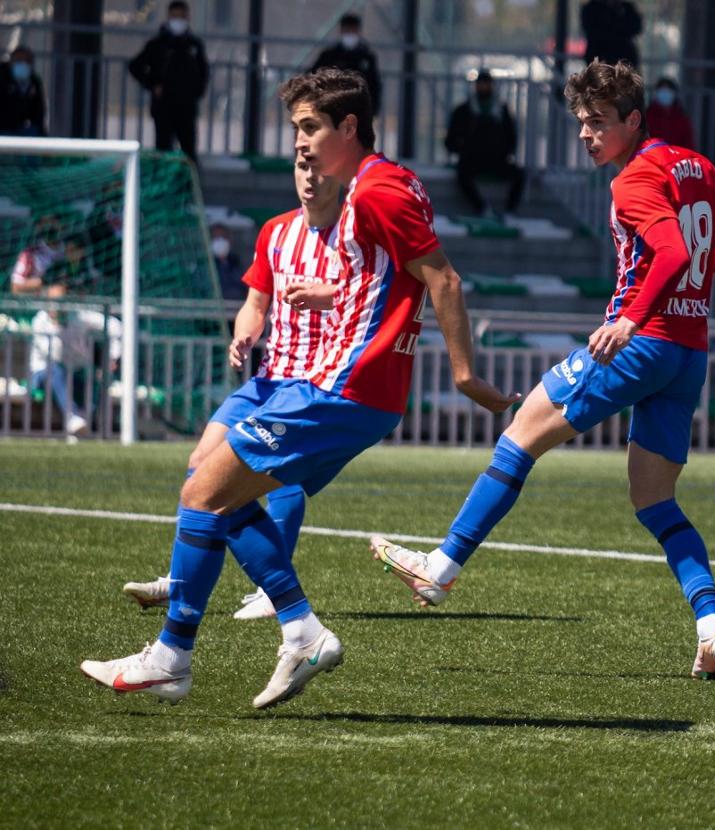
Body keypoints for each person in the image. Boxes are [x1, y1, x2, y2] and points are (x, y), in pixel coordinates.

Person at [79, 67, 516, 708]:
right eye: (295, 130)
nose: (302, 143)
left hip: (342, 385)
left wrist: (464, 374)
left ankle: (181, 657)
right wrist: (324, 293)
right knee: (210, 486)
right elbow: (384, 279)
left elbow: (442, 280)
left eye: (310, 127)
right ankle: (291, 632)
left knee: (203, 493)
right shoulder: (380, 184)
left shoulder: (376, 192)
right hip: (341, 385)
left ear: (348, 127)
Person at [368, 60, 715, 680]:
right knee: (654, 500)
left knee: (520, 431)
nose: (586, 134)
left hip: (642, 343)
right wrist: (712, 274)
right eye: (581, 122)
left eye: (599, 122)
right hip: (689, 352)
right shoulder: (697, 164)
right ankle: (712, 626)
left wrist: (632, 317)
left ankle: (441, 568)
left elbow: (671, 250)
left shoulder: (633, 180)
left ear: (634, 120)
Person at [119, 155, 343, 622]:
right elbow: (255, 302)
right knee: (200, 465)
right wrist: (245, 332)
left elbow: (377, 301)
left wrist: (329, 295)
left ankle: (270, 589)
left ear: (338, 175)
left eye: (318, 169)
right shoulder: (276, 232)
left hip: (314, 381)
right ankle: (183, 579)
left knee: (278, 479)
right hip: (267, 378)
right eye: (301, 168)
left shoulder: (354, 239)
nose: (308, 178)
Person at [28, 282, 120, 437]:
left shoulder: (78, 315)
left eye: (62, 301)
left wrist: (112, 357)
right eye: (54, 302)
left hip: (75, 373)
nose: (58, 306)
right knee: (56, 370)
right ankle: (73, 417)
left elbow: (115, 326)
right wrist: (59, 327)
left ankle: (82, 424)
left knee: (97, 378)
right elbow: (55, 356)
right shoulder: (40, 322)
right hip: (43, 376)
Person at [128, 1, 209, 163]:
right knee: (163, 150)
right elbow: (135, 66)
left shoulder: (194, 45)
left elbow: (203, 72)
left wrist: (196, 91)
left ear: (188, 17)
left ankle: (188, 186)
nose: (178, 20)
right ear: (168, 17)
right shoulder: (157, 44)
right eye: (174, 16)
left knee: (188, 150)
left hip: (187, 105)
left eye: (182, 16)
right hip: (163, 106)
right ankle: (164, 185)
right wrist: (152, 84)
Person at [445, 69, 525, 217]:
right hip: (471, 160)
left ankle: (509, 212)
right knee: (462, 174)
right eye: (480, 84)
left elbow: (511, 138)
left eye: (486, 84)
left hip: (496, 160)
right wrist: (464, 149)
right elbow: (450, 140)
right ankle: (482, 208)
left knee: (519, 175)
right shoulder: (463, 111)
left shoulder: (501, 111)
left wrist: (503, 151)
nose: (483, 87)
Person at [310, 13, 382, 112]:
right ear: (341, 31)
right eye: (347, 30)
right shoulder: (329, 55)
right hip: (332, 105)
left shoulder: (367, 56)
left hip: (359, 106)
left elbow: (374, 84)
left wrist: (374, 108)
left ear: (358, 31)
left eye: (353, 30)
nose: (350, 34)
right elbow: (313, 75)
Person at [9, 215, 64, 295]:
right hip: (42, 300)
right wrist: (41, 282)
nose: (50, 225)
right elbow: (15, 287)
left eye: (53, 221)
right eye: (45, 222)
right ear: (39, 226)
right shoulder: (30, 254)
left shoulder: (72, 248)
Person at [0, 45, 47, 136]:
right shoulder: (2, 78)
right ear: (11, 62)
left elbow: (39, 111)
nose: (22, 64)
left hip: (22, 129)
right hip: (3, 128)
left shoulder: (34, 81)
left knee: (33, 133)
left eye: (27, 61)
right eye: (18, 60)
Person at [580, 0, 641, 68]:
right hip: (600, 57)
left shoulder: (626, 8)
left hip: (624, 58)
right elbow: (596, 32)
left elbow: (636, 27)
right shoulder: (591, 9)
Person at [645, 77, 695, 150]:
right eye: (662, 91)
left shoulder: (681, 118)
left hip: (676, 158)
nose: (665, 94)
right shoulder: (648, 116)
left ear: (674, 94)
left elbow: (688, 144)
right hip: (653, 157)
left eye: (668, 91)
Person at [209, 223, 246, 301]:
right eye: (216, 238)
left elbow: (243, 286)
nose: (221, 241)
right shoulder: (205, 265)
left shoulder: (236, 262)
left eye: (224, 237)